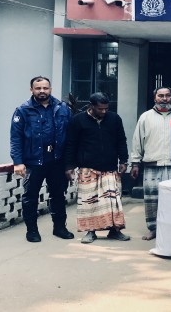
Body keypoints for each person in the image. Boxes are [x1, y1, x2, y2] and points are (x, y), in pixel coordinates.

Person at [10, 76, 74, 243]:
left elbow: (70, 137)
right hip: (33, 161)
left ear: (50, 89)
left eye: (45, 88)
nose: (42, 91)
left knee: (58, 195)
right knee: (30, 197)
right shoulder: (23, 110)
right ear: (31, 90)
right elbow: (15, 138)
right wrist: (18, 162)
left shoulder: (62, 108)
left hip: (57, 160)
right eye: (38, 88)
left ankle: (59, 228)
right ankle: (32, 231)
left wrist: (70, 163)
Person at [129, 87, 171, 241]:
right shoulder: (146, 117)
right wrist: (135, 163)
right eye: (161, 96)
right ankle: (153, 229)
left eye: (167, 95)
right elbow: (137, 141)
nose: (164, 98)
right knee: (152, 200)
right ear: (155, 98)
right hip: (152, 165)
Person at [64, 92, 130, 244]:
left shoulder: (114, 118)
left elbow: (121, 140)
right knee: (89, 202)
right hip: (87, 168)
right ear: (91, 106)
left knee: (113, 201)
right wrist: (69, 166)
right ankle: (90, 232)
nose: (104, 111)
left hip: (110, 167)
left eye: (106, 108)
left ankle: (115, 231)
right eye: (100, 109)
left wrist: (124, 160)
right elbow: (71, 144)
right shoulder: (78, 120)